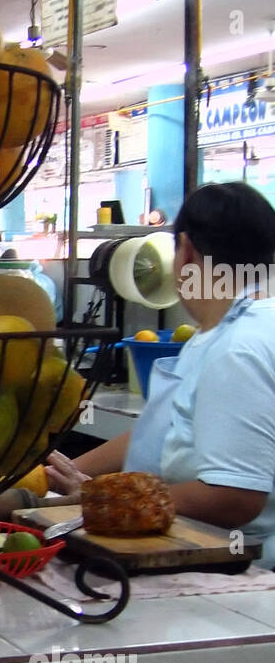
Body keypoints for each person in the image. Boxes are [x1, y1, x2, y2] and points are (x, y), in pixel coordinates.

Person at [43, 182, 275, 562]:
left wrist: (111, 501)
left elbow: (235, 496)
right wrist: (55, 474)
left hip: (235, 570)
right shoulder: (220, 332)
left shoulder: (239, 348)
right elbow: (169, 427)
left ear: (184, 252)